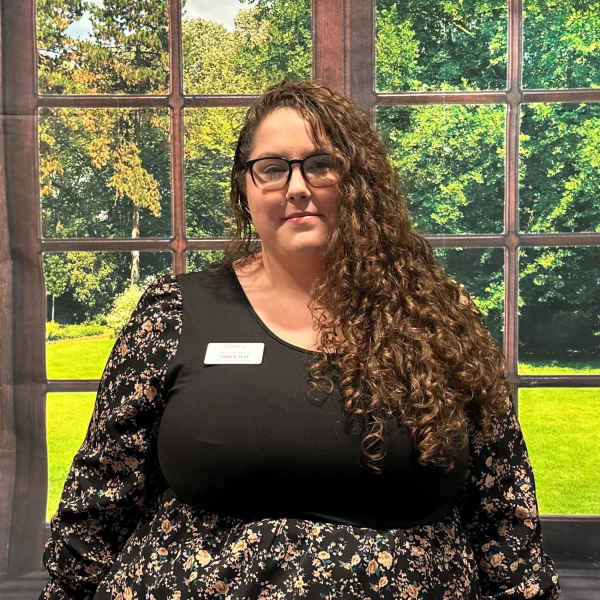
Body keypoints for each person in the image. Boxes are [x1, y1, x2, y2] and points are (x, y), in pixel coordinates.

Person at [40, 78, 560, 599]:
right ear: (245, 189)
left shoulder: (439, 319)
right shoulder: (173, 313)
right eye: (272, 168)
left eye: (320, 164)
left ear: (360, 181)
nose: (296, 187)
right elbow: (102, 493)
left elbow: (501, 508)